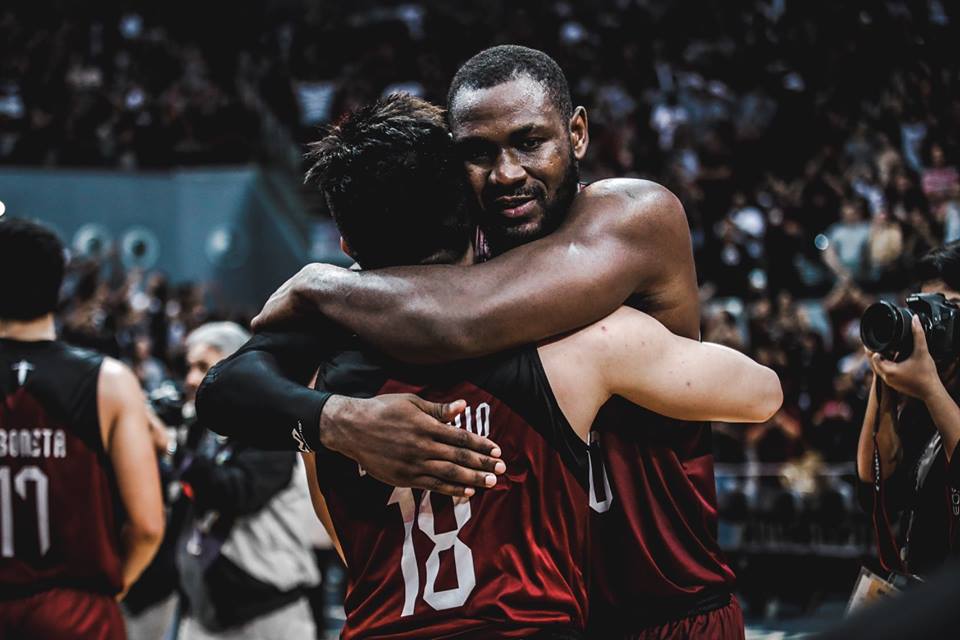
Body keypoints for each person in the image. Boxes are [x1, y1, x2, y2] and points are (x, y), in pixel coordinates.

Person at [197, 93, 782, 638]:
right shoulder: (585, 343)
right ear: (472, 211)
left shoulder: (321, 381)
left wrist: (332, 415)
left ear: (346, 243)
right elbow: (762, 395)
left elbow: (343, 543)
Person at [0, 217, 164, 639]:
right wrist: (113, 586)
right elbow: (147, 525)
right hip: (76, 614)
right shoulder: (110, 381)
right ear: (58, 286)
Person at [174, 321, 321, 640]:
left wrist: (175, 449)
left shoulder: (270, 425)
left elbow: (236, 493)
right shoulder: (199, 428)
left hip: (269, 615)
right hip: (205, 612)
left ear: (237, 370)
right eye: (189, 367)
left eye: (203, 366)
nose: (190, 379)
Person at [857, 241, 960, 577]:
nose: (938, 320)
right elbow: (874, 482)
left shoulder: (930, 389)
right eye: (931, 306)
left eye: (952, 307)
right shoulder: (924, 395)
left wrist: (929, 387)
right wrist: (883, 375)